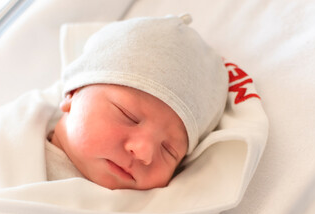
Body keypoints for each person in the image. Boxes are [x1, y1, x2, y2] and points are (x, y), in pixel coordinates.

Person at [46, 14, 229, 190]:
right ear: (73, 93)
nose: (143, 152)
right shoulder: (20, 144)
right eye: (128, 116)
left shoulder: (153, 212)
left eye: (169, 151)